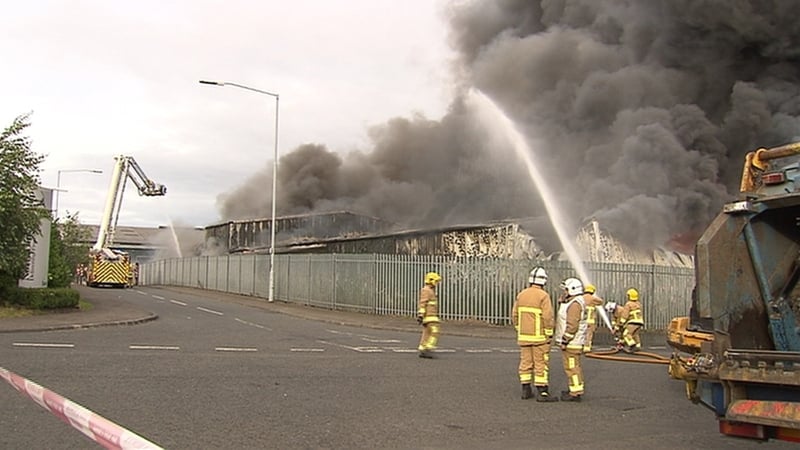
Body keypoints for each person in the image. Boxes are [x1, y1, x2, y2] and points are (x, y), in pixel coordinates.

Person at [511, 267, 557, 401]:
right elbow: (548, 317)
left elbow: (514, 315)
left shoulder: (522, 294)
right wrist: (549, 333)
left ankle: (525, 390)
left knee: (525, 363)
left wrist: (520, 328)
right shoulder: (543, 296)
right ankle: (542, 392)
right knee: (540, 363)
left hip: (524, 336)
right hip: (539, 337)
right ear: (544, 281)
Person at [555, 277, 589, 402]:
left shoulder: (575, 305)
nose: (564, 293)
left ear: (572, 290)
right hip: (573, 342)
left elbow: (572, 326)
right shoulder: (574, 302)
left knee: (572, 368)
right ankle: (574, 389)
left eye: (566, 290)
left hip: (572, 343)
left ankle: (575, 393)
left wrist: (565, 340)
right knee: (572, 367)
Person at [417, 272, 442, 359]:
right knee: (434, 331)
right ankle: (428, 348)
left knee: (427, 333)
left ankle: (423, 348)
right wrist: (421, 314)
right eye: (436, 281)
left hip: (430, 315)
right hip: (429, 316)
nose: (437, 283)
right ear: (431, 280)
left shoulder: (430, 290)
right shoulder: (426, 290)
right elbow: (422, 303)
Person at [617, 288, 645, 352]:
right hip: (640, 322)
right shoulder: (638, 304)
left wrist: (621, 323)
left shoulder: (628, 304)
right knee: (635, 334)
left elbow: (625, 315)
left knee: (626, 334)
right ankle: (638, 346)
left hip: (633, 322)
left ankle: (632, 346)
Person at [581, 283, 605, 353]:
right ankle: (587, 348)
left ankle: (579, 346)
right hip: (590, 320)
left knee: (581, 333)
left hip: (582, 320)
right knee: (589, 334)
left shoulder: (581, 298)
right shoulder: (593, 298)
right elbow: (600, 302)